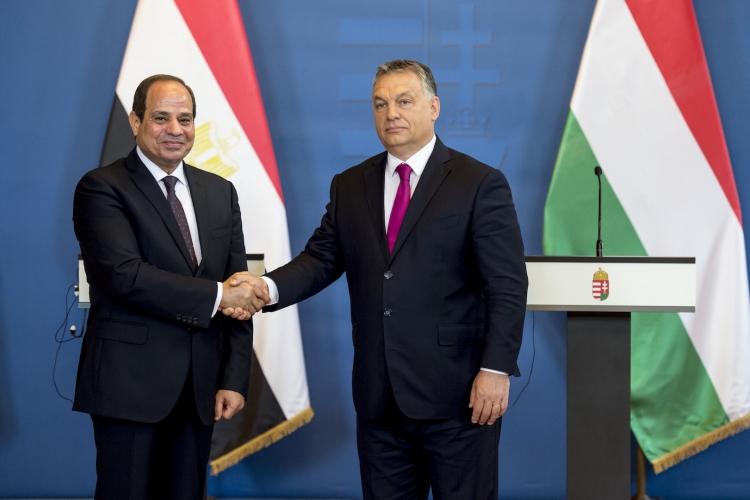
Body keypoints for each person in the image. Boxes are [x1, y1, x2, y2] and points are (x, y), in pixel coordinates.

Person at [228, 60, 528, 499]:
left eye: (404, 101)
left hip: (459, 397)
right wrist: (264, 288)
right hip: (379, 400)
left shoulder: (479, 183)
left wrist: (495, 369)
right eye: (380, 104)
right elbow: (320, 259)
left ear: (434, 107)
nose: (392, 114)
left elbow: (506, 285)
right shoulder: (350, 186)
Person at [72, 74, 270, 499]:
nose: (175, 130)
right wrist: (219, 295)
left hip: (199, 390)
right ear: (135, 121)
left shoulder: (220, 192)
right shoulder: (101, 187)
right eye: (161, 118)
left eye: (185, 119)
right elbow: (125, 276)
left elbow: (237, 287)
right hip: (129, 387)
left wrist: (234, 377)